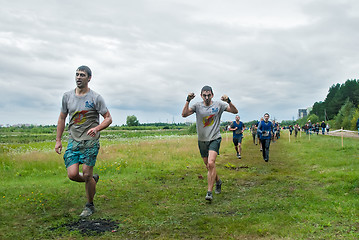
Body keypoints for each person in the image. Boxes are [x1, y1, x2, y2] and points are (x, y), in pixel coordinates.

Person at [55, 66, 112, 217]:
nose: (79, 77)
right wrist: (58, 140)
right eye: (77, 74)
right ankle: (92, 180)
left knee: (86, 174)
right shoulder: (67, 96)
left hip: (90, 142)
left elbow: (108, 118)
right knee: (72, 174)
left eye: (82, 75)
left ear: (89, 78)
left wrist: (97, 128)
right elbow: (62, 118)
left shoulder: (95, 98)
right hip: (73, 141)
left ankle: (89, 205)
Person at [182, 86, 238, 202]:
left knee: (211, 163)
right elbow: (184, 114)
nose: (207, 97)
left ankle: (209, 192)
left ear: (212, 95)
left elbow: (234, 111)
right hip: (202, 140)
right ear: (201, 95)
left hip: (214, 138)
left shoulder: (218, 105)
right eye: (204, 95)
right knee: (208, 166)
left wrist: (228, 101)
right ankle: (218, 181)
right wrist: (188, 100)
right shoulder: (197, 106)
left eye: (209, 95)